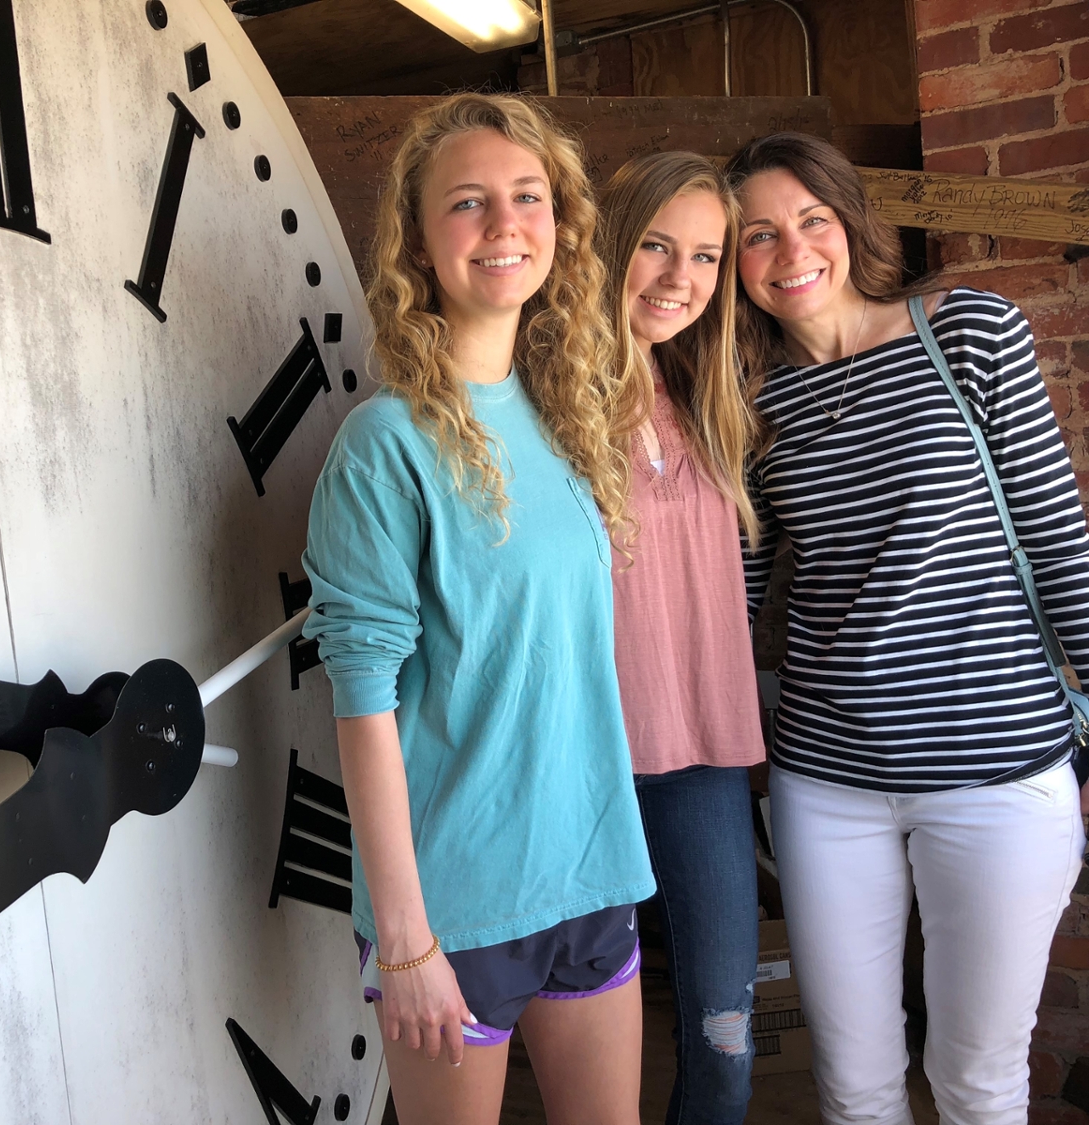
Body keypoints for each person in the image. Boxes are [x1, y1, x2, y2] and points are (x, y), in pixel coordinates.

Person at [301, 93, 654, 1125]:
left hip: (590, 874)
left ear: (561, 222)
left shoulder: (566, 417)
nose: (505, 226)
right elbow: (362, 710)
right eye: (468, 203)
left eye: (528, 197)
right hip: (454, 908)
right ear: (419, 239)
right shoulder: (385, 445)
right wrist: (404, 940)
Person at [728, 131, 1089, 1125]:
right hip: (826, 782)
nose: (791, 249)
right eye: (757, 234)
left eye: (811, 219)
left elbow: (1057, 535)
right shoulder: (753, 401)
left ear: (848, 222)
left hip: (998, 777)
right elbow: (738, 589)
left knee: (977, 1081)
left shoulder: (967, 332)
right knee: (856, 1085)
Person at [595, 151, 766, 1125]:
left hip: (703, 750)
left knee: (726, 1044)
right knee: (595, 1062)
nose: (680, 278)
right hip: (585, 761)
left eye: (706, 256)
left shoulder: (707, 389)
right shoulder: (541, 391)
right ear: (614, 244)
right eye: (657, 246)